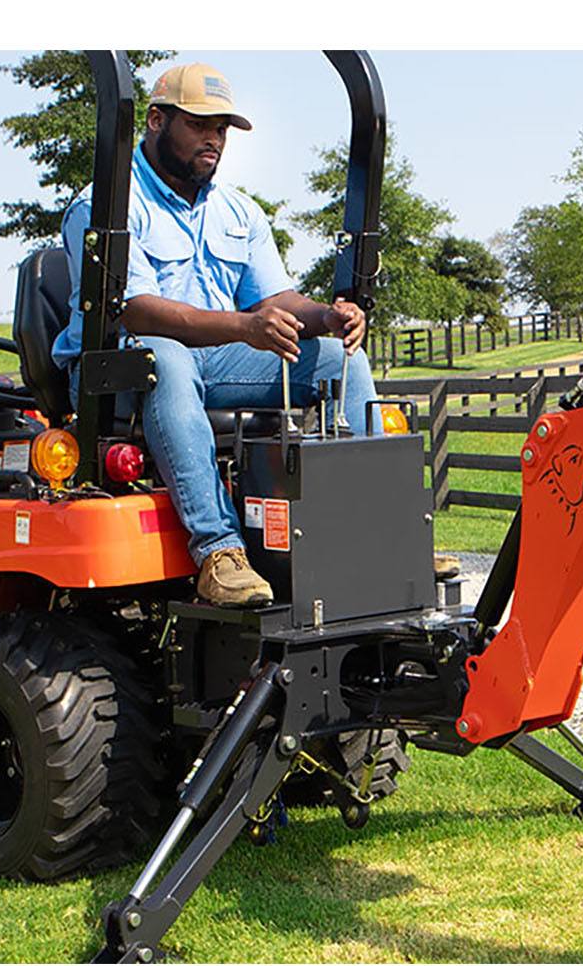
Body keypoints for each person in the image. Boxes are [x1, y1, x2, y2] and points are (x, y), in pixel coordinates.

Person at [51, 61, 390, 608]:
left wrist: (326, 316)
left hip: (213, 362)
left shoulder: (239, 212)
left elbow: (274, 300)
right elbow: (134, 310)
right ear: (156, 121)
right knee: (166, 358)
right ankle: (219, 550)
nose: (214, 139)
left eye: (222, 129)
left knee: (333, 358)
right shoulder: (106, 204)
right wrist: (243, 327)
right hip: (116, 371)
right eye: (200, 125)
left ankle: (375, 536)